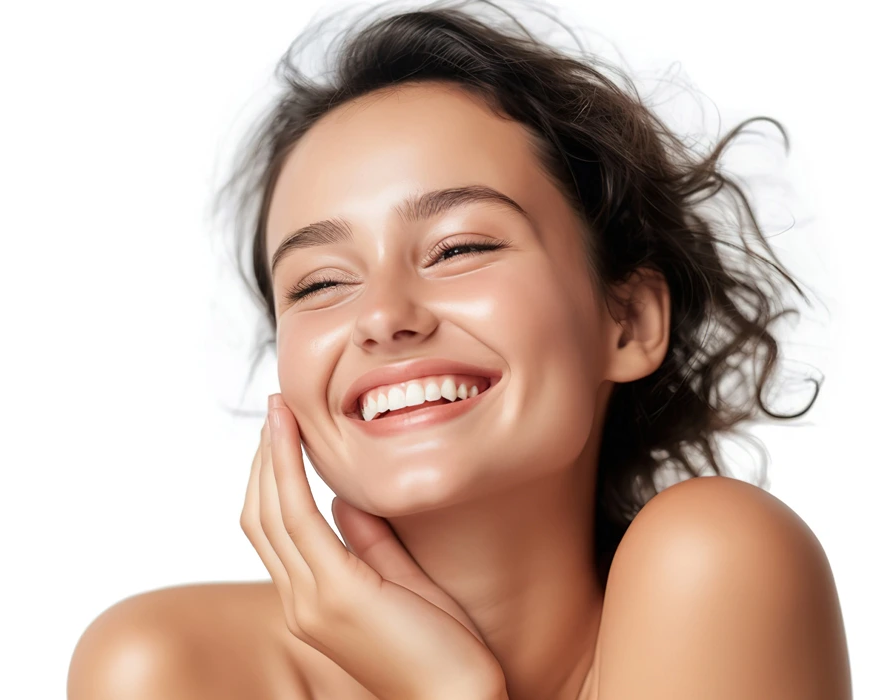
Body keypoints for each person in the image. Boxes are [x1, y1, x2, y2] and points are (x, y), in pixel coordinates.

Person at [67, 2, 851, 698]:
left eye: (459, 247)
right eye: (319, 284)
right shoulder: (168, 670)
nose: (381, 317)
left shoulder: (715, 564)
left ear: (629, 322)